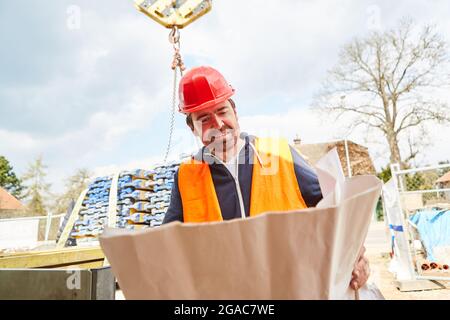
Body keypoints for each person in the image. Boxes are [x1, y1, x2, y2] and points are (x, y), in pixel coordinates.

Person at [162, 65, 370, 291]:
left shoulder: (279, 154)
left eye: (222, 111)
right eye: (204, 118)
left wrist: (356, 254)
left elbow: (335, 210)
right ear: (193, 128)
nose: (218, 124)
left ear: (235, 112)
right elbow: (166, 245)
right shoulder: (187, 176)